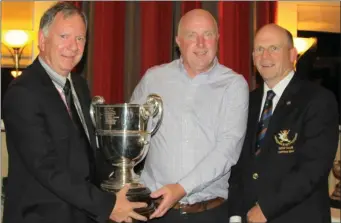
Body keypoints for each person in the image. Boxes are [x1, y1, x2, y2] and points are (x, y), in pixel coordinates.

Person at [2, 2, 147, 223]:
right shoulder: (23, 92)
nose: (73, 46)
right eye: (64, 36)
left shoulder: (79, 86)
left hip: (82, 214)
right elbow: (46, 168)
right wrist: (107, 205)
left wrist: (122, 185)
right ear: (42, 40)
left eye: (80, 39)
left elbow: (88, 154)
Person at [130, 9, 249, 223]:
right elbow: (131, 135)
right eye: (192, 35)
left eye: (208, 34)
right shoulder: (153, 79)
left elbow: (228, 150)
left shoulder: (234, 85)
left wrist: (181, 188)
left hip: (209, 214)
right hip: (155, 213)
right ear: (178, 41)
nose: (201, 43)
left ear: (218, 38)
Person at [228, 24, 339, 223]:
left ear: (292, 54)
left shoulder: (318, 100)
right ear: (253, 57)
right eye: (259, 49)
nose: (265, 56)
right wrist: (235, 214)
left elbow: (312, 168)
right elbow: (237, 163)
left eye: (274, 48)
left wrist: (266, 209)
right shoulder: (248, 102)